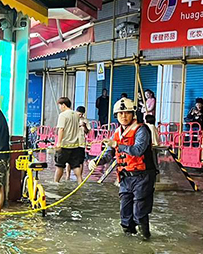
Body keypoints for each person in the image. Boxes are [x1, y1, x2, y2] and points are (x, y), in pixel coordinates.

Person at [91, 97, 156, 239]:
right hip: (125, 177)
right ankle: (128, 243)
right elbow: (109, 154)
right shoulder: (117, 133)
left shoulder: (141, 130)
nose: (123, 116)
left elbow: (138, 150)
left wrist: (116, 145)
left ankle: (146, 240)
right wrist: (97, 161)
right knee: (125, 217)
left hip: (143, 176)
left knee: (140, 213)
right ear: (116, 116)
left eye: (126, 113)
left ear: (133, 114)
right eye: (120, 114)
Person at [54, 97, 89, 183]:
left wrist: (58, 143)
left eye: (60, 105)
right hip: (75, 145)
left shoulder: (63, 115)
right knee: (76, 166)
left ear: (63, 105)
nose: (59, 108)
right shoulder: (76, 115)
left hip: (65, 144)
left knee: (60, 166)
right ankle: (80, 181)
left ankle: (55, 183)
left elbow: (61, 129)